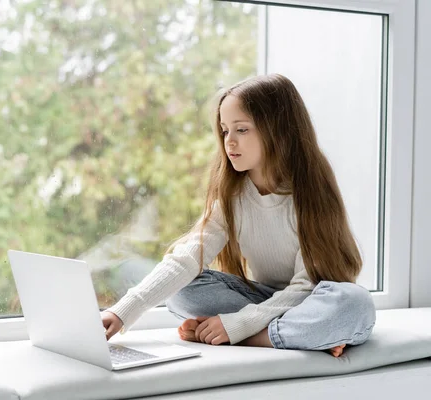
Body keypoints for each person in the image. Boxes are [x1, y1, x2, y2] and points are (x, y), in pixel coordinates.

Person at [100, 73, 376, 358]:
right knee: (183, 288)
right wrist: (121, 312)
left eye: (241, 130)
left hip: (312, 299)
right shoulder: (233, 193)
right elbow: (186, 258)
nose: (229, 142)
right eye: (224, 130)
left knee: (354, 303)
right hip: (263, 300)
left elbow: (306, 285)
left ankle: (259, 337)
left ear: (277, 130)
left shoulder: (309, 191)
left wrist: (238, 326)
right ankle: (303, 335)